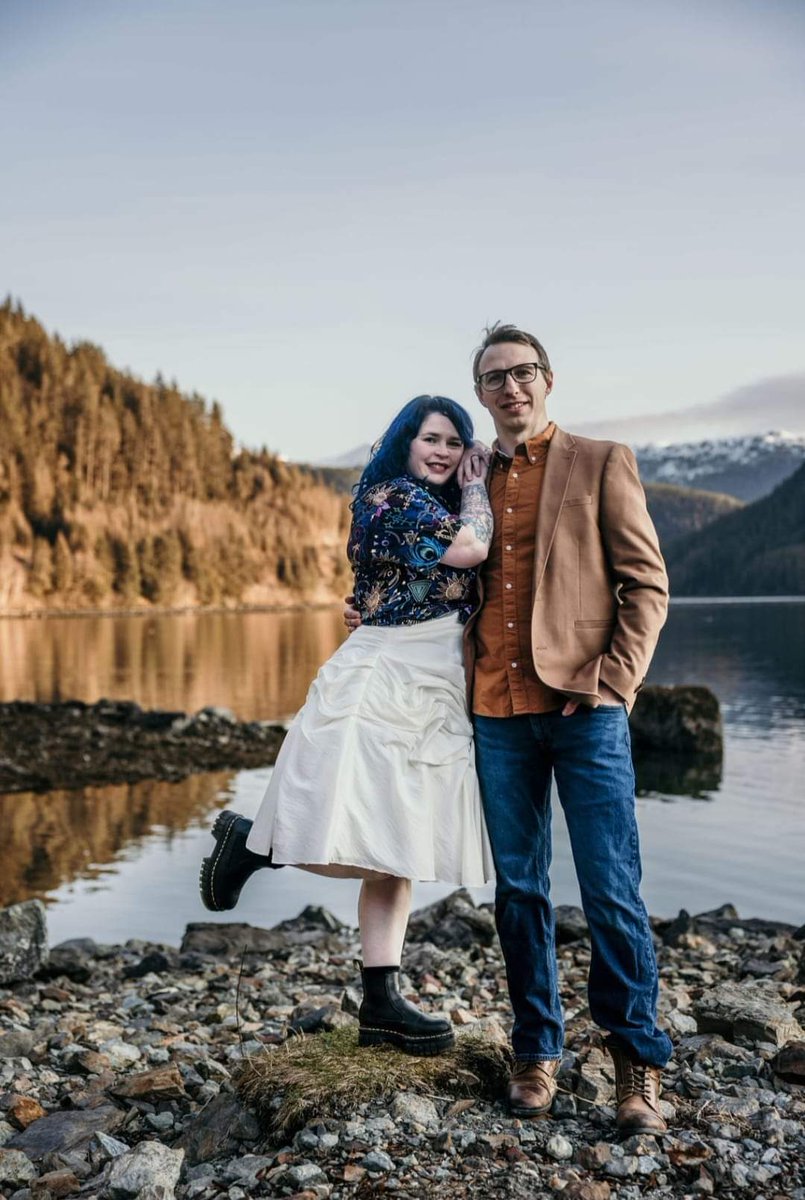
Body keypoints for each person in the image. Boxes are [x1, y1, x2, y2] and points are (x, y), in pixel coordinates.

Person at [345, 326, 672, 1133]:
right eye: (494, 379)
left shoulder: (600, 461)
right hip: (492, 712)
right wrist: (370, 607)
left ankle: (636, 1064)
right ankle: (536, 1050)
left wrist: (611, 682)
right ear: (482, 393)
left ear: (547, 380)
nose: (510, 388)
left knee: (609, 891)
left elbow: (645, 585)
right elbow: (428, 565)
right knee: (518, 892)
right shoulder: (470, 475)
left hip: (584, 712)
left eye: (523, 373)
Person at [199, 394, 495, 1056]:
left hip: (432, 675)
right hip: (386, 675)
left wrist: (366, 602)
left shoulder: (425, 503)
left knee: (401, 848)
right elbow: (471, 551)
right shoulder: (392, 497)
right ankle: (253, 845)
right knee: (371, 833)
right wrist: (478, 487)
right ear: (404, 443)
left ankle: (381, 1006)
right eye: (433, 439)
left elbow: (383, 588)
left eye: (456, 441)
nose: (446, 452)